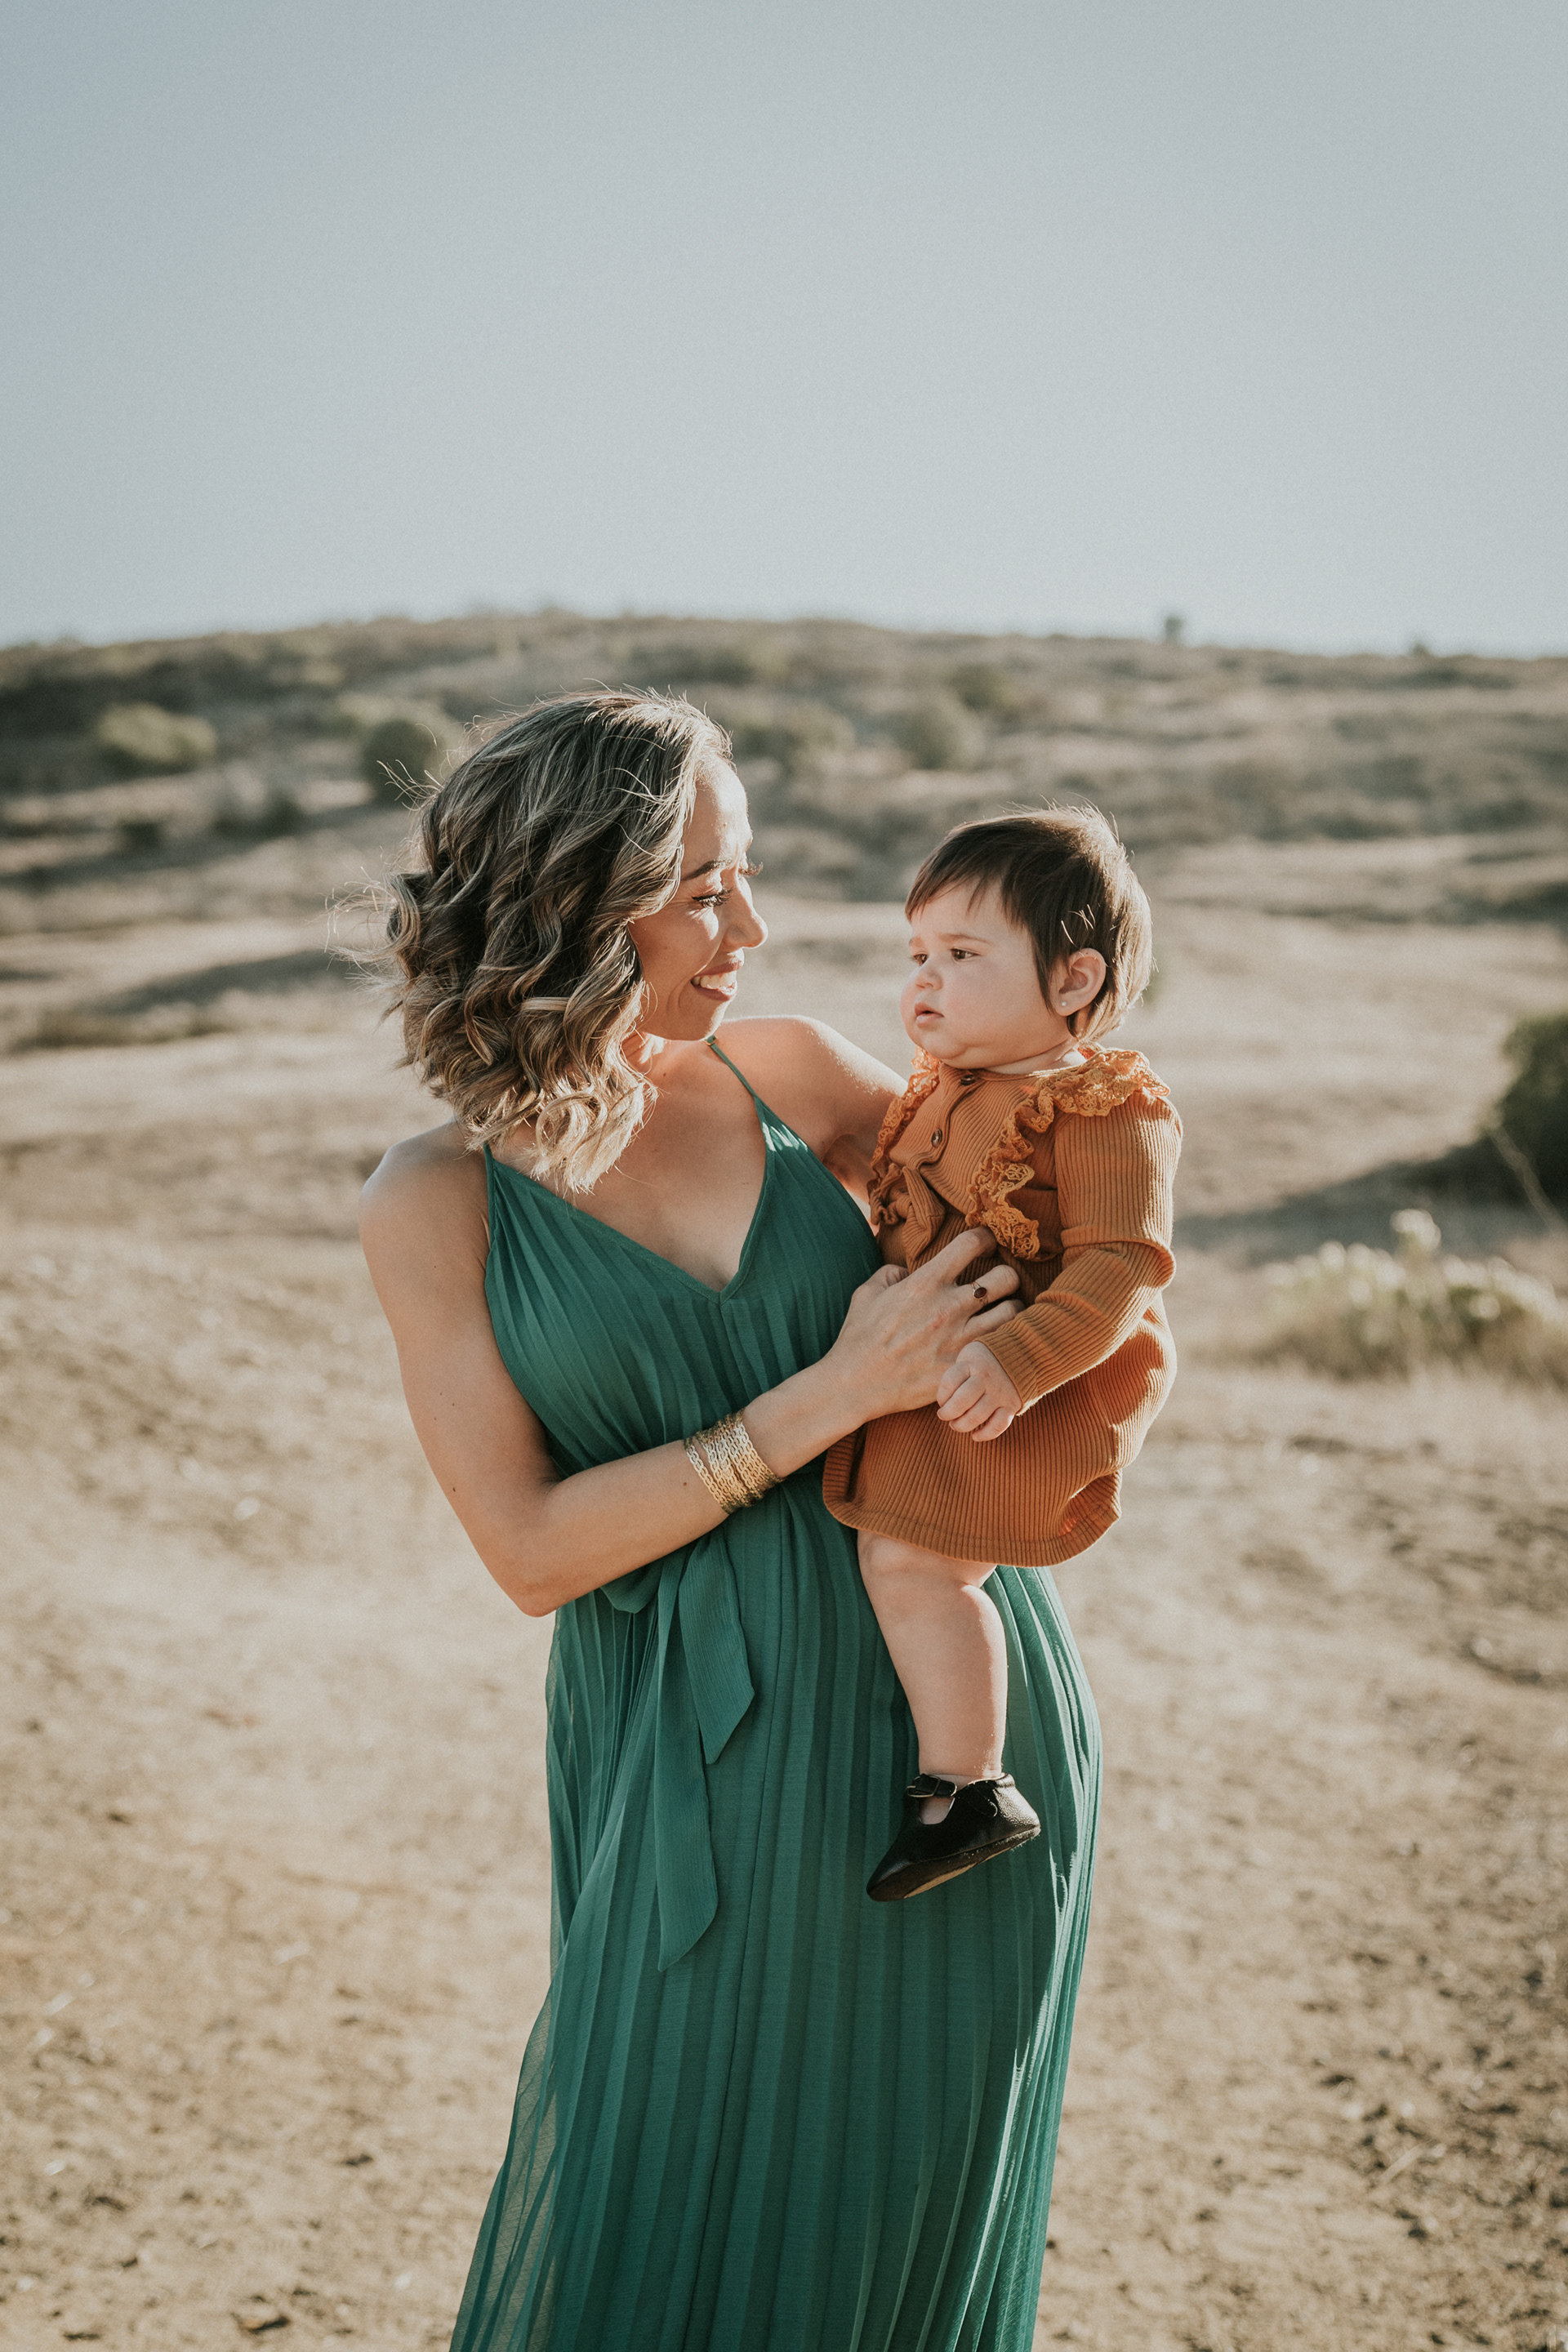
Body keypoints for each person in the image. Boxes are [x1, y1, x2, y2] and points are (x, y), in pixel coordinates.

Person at [359, 691, 1102, 2352]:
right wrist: (822, 1401)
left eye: (743, 875)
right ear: (570, 900)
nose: (750, 929)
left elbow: (1064, 1228)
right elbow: (529, 1551)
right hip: (679, 1752)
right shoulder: (437, 1203)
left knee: (897, 2236)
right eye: (703, 887)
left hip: (946, 1751)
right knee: (662, 2199)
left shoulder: (795, 1078)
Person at [821, 811, 1181, 1904]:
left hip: (1032, 1386)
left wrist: (1021, 1363)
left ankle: (969, 1787)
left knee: (917, 1565)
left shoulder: (1107, 1106)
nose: (924, 982)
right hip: (953, 1370)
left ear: (1073, 980)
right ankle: (957, 1780)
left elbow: (1122, 1265)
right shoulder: (942, 1087)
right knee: (897, 1556)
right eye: (917, 954)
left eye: (963, 955)